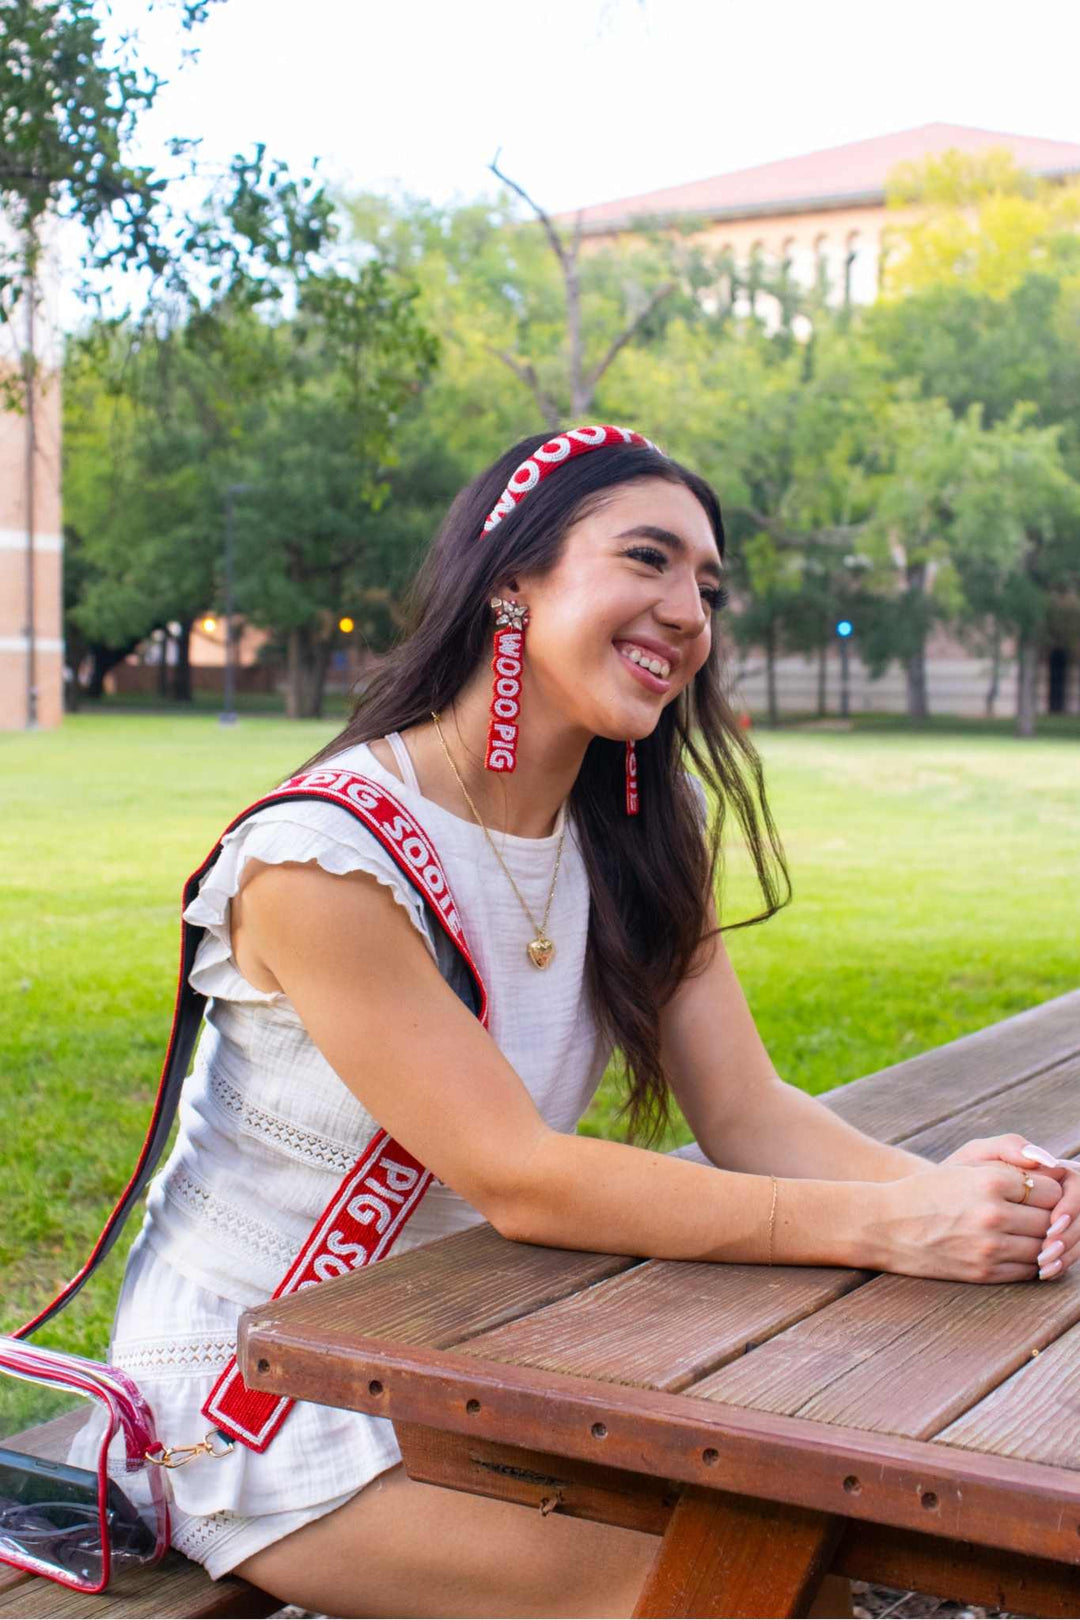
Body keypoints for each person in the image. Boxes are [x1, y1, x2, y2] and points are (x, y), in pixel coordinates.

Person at [106, 427, 1077, 1619]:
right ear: (510, 578)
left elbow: (746, 1110)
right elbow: (522, 1178)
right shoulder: (324, 859)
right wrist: (891, 1222)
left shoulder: (632, 844)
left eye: (707, 587)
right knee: (745, 1598)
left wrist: (964, 1203)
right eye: (647, 561)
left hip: (485, 1354)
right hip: (258, 1401)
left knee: (802, 1544)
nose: (686, 611)